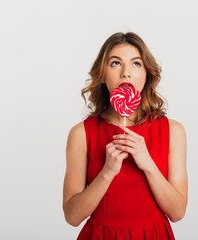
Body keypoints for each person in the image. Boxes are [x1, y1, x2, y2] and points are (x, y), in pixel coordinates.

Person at [62, 32, 188, 239]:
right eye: (115, 63)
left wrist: (147, 163)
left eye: (136, 64)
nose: (126, 73)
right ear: (102, 74)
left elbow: (177, 212)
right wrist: (107, 173)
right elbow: (72, 216)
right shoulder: (81, 134)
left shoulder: (173, 131)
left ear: (146, 73)